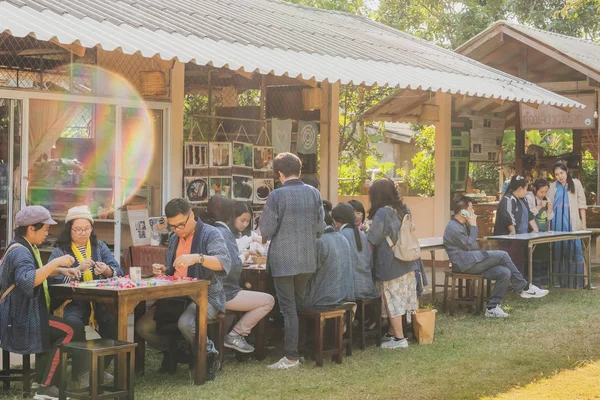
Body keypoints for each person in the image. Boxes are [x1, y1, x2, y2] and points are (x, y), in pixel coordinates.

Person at [135, 198, 231, 380]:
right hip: (175, 297)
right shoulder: (173, 238)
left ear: (192, 216)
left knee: (186, 323)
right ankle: (179, 349)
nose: (177, 230)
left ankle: (209, 354)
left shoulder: (211, 234)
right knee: (143, 327)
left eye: (180, 225)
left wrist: (197, 257)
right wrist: (164, 270)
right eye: (172, 226)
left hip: (206, 296)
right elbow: (173, 269)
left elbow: (224, 263)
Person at [0, 206, 86, 400]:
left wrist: (61, 271)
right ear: (31, 228)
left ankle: (43, 380)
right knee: (70, 330)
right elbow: (28, 281)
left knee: (67, 328)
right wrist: (55, 263)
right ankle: (45, 387)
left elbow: (36, 274)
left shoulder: (23, 246)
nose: (47, 234)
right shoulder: (21, 253)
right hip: (21, 319)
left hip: (21, 314)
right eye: (45, 229)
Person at [260, 152, 325, 370]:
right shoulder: (314, 193)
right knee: (300, 305)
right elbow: (320, 228)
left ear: (279, 173)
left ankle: (291, 357)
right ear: (299, 170)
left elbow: (266, 229)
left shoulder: (276, 196)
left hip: (283, 260)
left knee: (288, 309)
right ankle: (301, 351)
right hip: (307, 257)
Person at [49, 205, 122, 383]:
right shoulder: (60, 252)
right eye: (78, 229)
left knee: (115, 326)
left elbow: (118, 271)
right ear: (69, 230)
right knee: (74, 324)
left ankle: (98, 368)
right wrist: (77, 271)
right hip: (72, 302)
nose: (83, 233)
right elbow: (53, 281)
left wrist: (106, 270)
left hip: (99, 301)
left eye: (87, 228)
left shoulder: (100, 247)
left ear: (92, 228)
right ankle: (81, 372)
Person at [444, 197, 549, 318]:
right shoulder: (453, 227)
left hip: (472, 262)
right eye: (471, 208)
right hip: (464, 265)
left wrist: (471, 225)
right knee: (503, 255)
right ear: (463, 212)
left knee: (504, 272)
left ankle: (492, 308)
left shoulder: (462, 224)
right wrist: (473, 225)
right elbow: (471, 246)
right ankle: (524, 287)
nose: (473, 211)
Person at [206, 195, 274, 354]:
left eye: (247, 221)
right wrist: (245, 254)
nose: (244, 224)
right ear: (231, 215)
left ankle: (235, 335)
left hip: (216, 290)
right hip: (225, 293)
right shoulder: (224, 233)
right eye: (241, 220)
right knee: (268, 300)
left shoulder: (210, 230)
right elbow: (233, 266)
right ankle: (236, 334)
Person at [366, 178, 419, 350]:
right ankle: (391, 333)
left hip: (390, 263)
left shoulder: (382, 213)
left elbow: (373, 238)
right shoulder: (404, 209)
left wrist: (367, 229)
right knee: (401, 299)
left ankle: (399, 339)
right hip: (407, 260)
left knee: (391, 300)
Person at [547, 162, 587, 288]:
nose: (560, 176)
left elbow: (582, 204)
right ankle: (560, 282)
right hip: (557, 224)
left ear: (567, 171)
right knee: (558, 250)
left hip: (572, 223)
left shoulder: (575, 183)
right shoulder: (552, 186)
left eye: (561, 173)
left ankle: (580, 281)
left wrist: (583, 223)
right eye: (557, 174)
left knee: (576, 250)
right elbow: (549, 205)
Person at [304, 202, 352, 307]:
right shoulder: (342, 237)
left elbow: (307, 272)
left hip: (322, 299)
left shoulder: (319, 241)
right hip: (342, 296)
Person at [332, 203, 378, 301]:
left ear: (336, 221)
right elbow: (370, 262)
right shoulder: (363, 235)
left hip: (350, 291)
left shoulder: (340, 236)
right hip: (367, 286)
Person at [494, 175, 539, 275]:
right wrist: (513, 232)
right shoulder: (508, 199)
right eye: (526, 189)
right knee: (511, 263)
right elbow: (508, 217)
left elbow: (529, 215)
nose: (527, 192)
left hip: (520, 238)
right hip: (509, 240)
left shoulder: (524, 200)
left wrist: (535, 230)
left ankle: (520, 284)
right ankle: (512, 284)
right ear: (520, 189)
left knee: (519, 263)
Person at [526, 179, 554, 286]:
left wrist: (549, 210)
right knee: (534, 257)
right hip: (532, 232)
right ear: (535, 189)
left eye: (545, 192)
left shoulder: (547, 199)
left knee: (543, 257)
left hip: (544, 232)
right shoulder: (529, 197)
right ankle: (534, 282)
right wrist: (540, 206)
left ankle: (544, 282)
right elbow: (530, 214)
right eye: (541, 192)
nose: (543, 194)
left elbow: (550, 217)